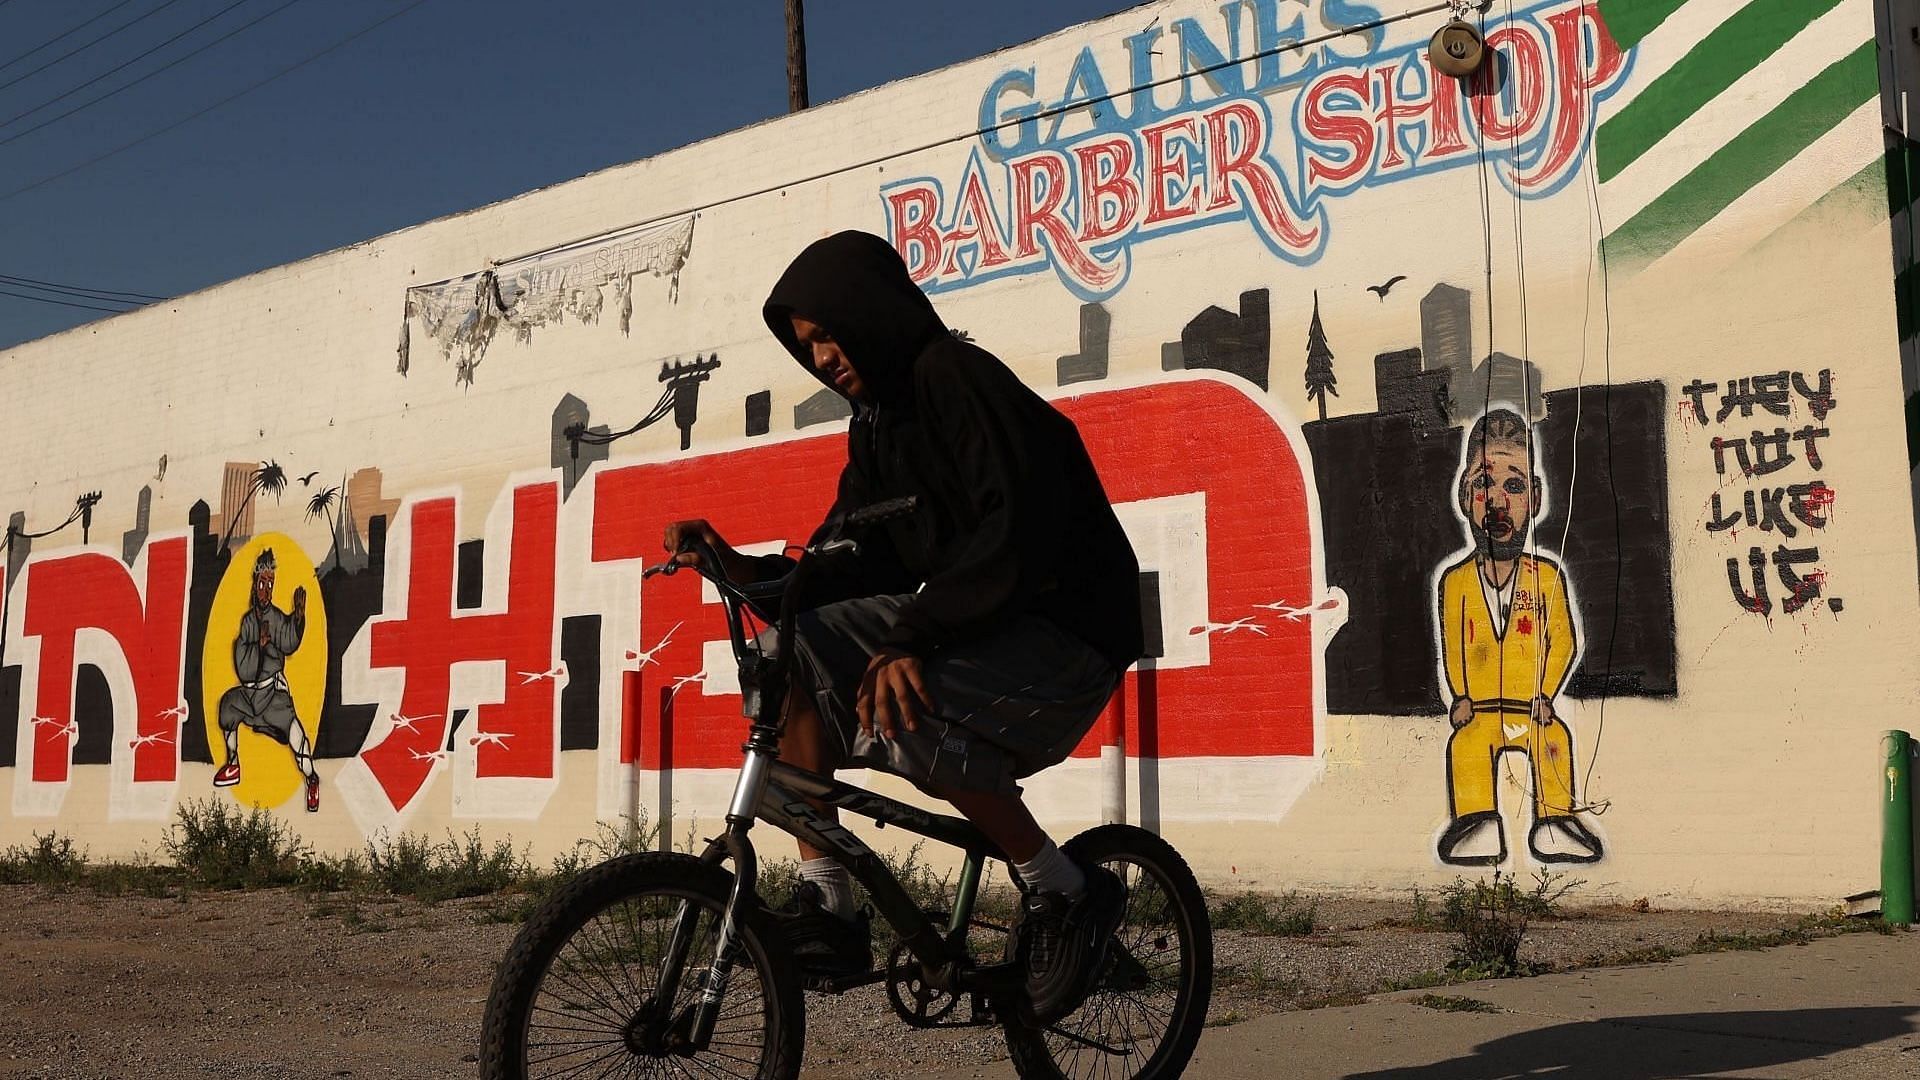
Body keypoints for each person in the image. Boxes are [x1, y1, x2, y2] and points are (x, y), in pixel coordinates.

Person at [663, 230, 1144, 1024]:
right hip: (986, 621)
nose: (820, 358)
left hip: (1069, 631)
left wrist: (910, 636)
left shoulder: (957, 380)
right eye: (805, 346)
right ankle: (830, 905)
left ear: (868, 312)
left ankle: (1067, 891)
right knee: (794, 644)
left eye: (827, 335)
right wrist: (745, 570)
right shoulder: (876, 425)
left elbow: (1016, 533)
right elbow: (858, 558)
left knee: (903, 700)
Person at [1434, 409, 1601, 865]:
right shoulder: (1455, 582)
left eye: (1514, 486)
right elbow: (1452, 648)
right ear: (1466, 496)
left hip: (1531, 707)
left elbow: (1562, 640)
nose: (1498, 502)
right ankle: (1476, 823)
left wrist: (1546, 693)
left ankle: (1553, 822)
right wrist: (1461, 696)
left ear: (1536, 497)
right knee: (1465, 744)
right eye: (1485, 484)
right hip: (1482, 710)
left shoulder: (1545, 577)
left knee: (1554, 741)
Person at [212, 547, 323, 812]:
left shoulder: (275, 618)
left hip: (273, 696)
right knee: (228, 704)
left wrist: (298, 618)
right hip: (251, 696)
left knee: (296, 735)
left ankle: (312, 779)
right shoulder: (248, 621)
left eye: (270, 584)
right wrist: (259, 648)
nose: (266, 589)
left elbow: (289, 641)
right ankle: (233, 764)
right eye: (262, 583)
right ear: (255, 584)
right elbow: (243, 666)